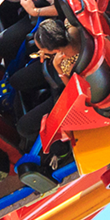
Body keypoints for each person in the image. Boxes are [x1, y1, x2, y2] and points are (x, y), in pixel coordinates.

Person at [8, 19, 81, 150]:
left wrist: (57, 68)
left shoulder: (69, 65)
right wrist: (46, 52)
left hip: (65, 92)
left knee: (23, 128)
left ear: (55, 50)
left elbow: (73, 90)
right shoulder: (71, 26)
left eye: (42, 48)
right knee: (16, 81)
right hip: (53, 71)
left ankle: (56, 147)